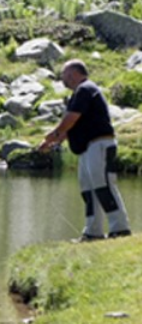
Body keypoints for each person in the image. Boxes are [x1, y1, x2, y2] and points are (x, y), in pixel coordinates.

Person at [39, 59, 132, 242]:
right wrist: (54, 142)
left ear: (73, 74)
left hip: (100, 145)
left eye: (64, 75)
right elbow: (73, 126)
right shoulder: (77, 94)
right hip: (87, 150)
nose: (62, 79)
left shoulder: (85, 89)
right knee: (89, 191)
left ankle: (120, 228)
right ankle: (93, 232)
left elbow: (71, 119)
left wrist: (53, 135)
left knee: (104, 186)